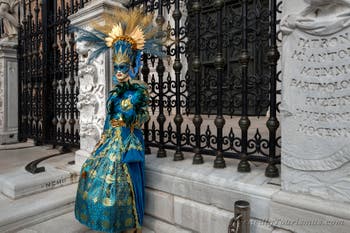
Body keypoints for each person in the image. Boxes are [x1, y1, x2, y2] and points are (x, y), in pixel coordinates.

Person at [73, 7, 163, 233]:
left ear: (131, 67)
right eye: (117, 67)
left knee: (121, 182)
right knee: (92, 171)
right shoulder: (114, 93)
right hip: (110, 140)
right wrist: (101, 141)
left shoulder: (139, 91)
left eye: (124, 67)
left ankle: (128, 223)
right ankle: (102, 221)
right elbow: (108, 119)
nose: (120, 72)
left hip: (127, 140)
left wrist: (129, 113)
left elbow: (143, 116)